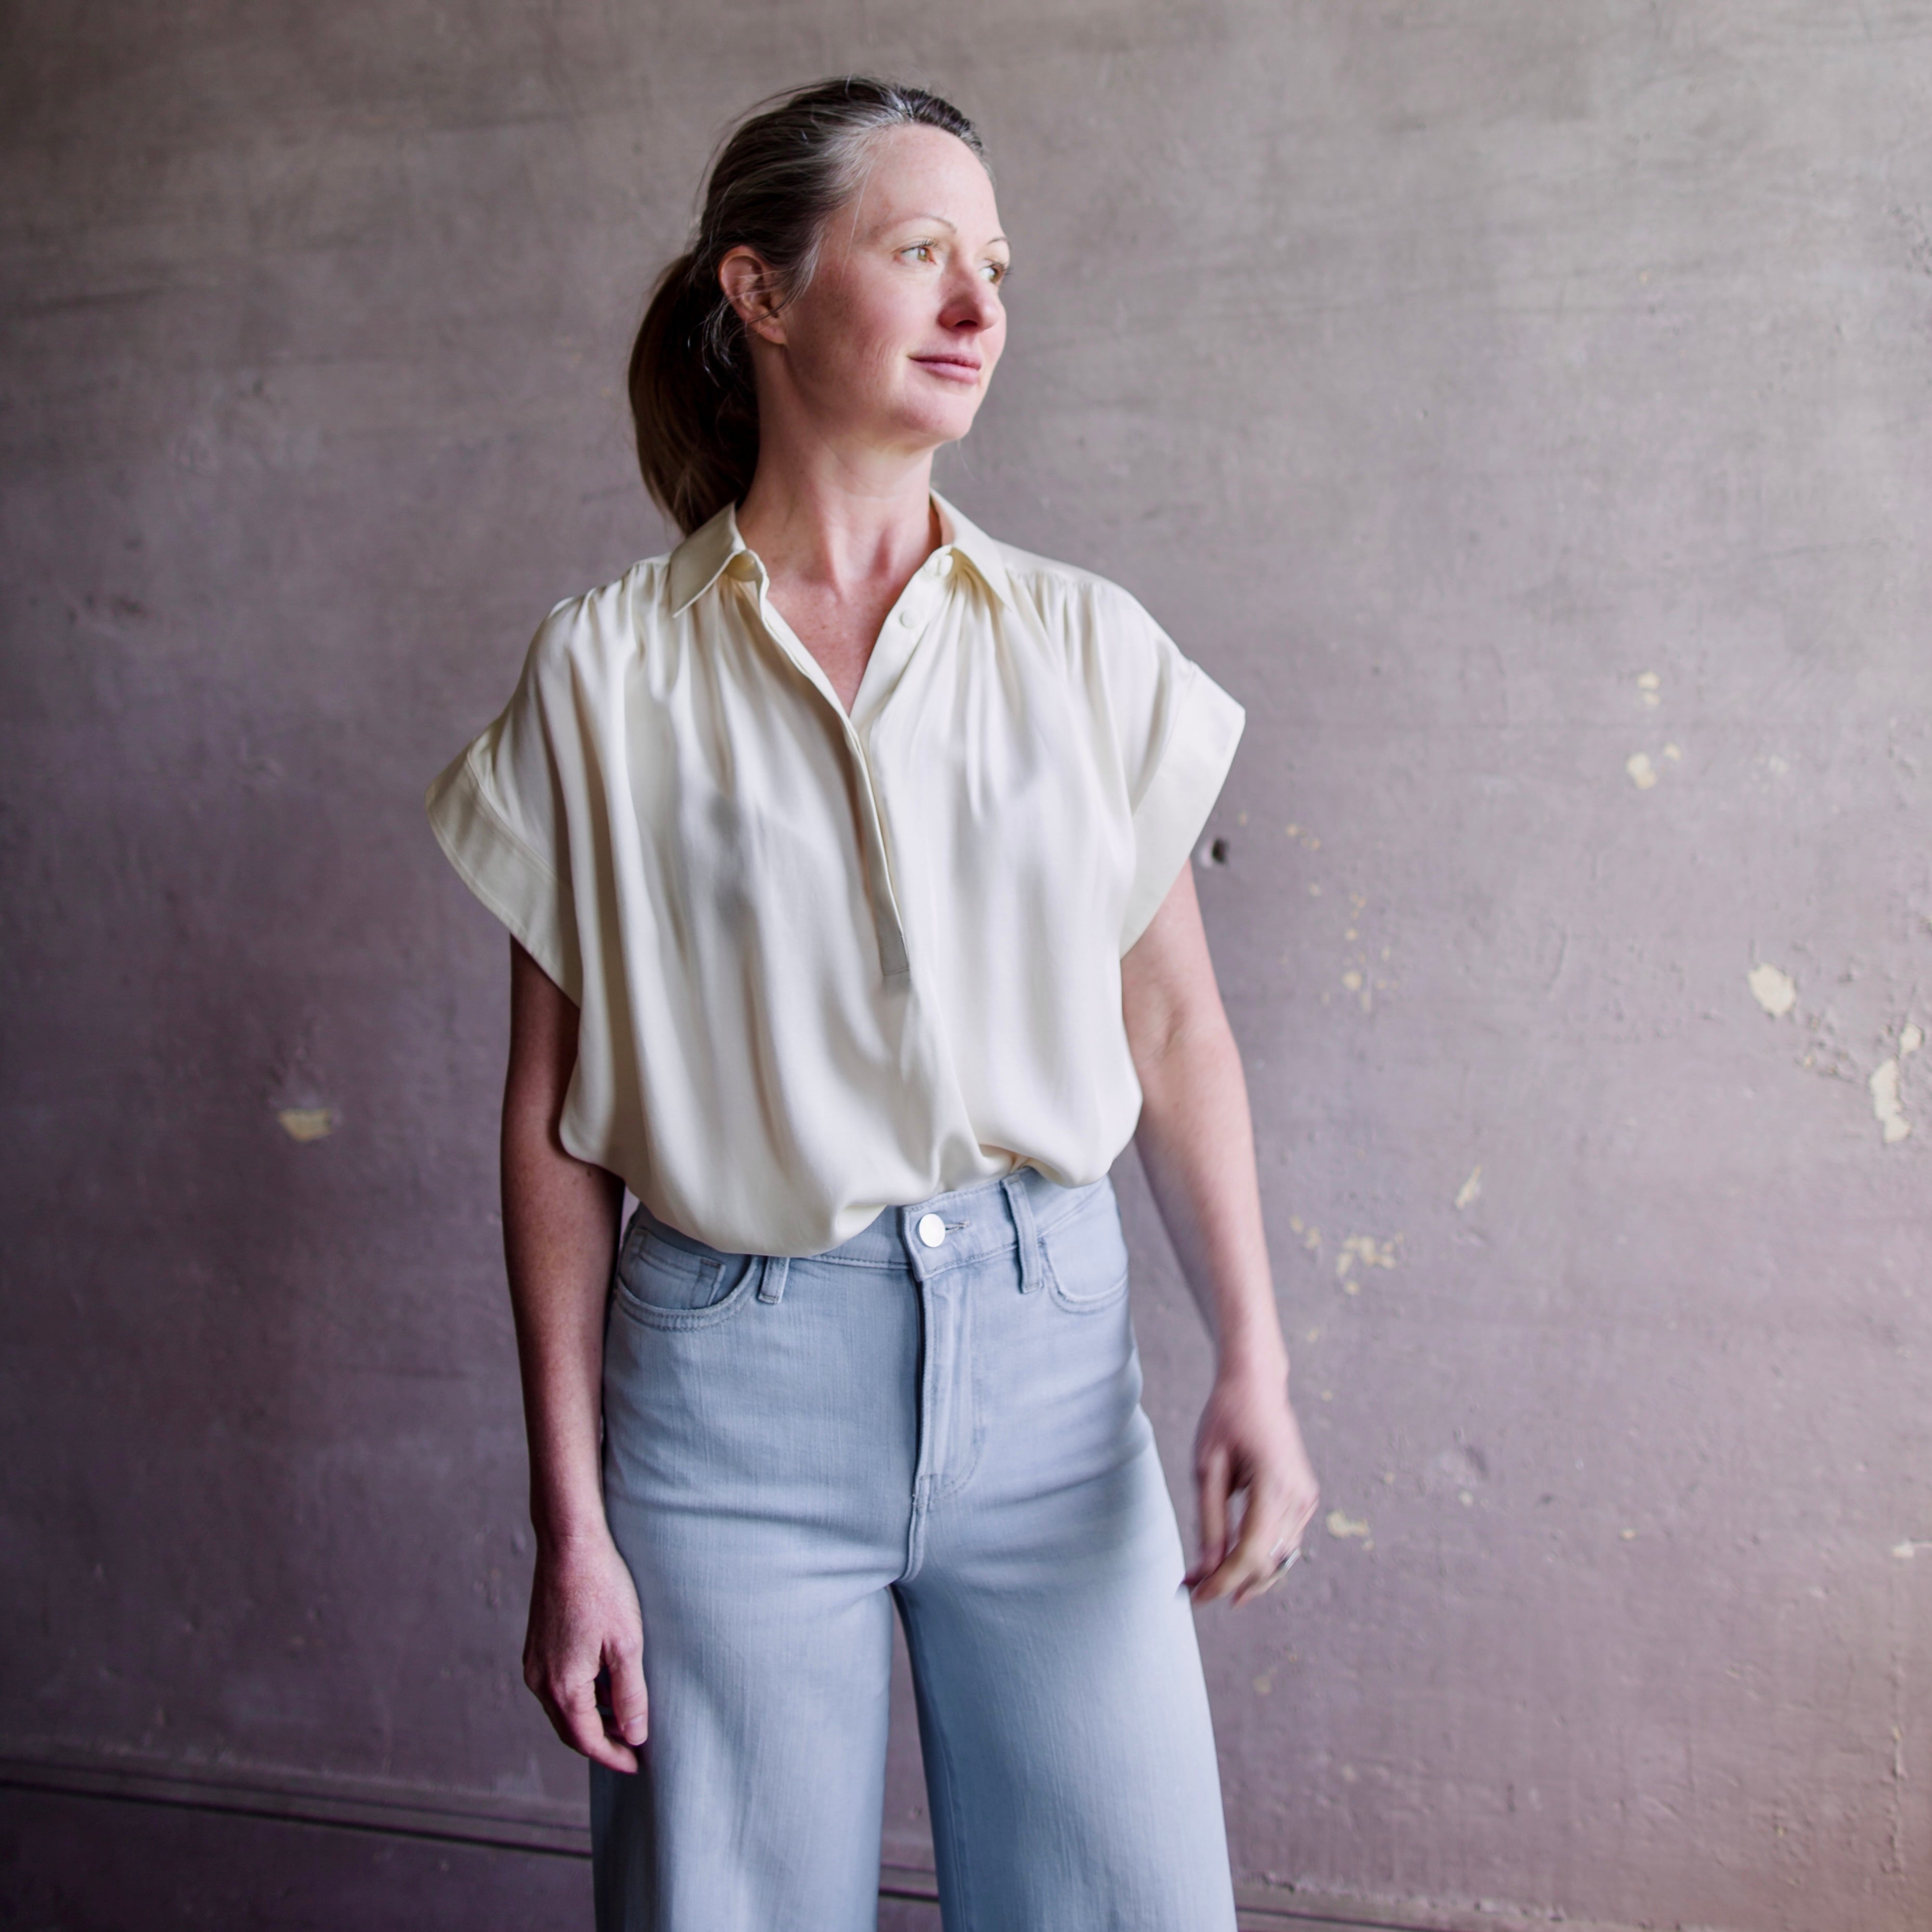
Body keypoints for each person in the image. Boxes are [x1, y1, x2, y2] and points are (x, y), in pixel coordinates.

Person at [426, 73, 1319, 1932]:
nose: (979, 307)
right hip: (729, 1400)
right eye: (921, 254)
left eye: (993, 265)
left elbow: (1174, 1033)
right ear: (757, 293)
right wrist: (569, 1521)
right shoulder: (602, 678)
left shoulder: (1084, 647)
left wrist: (1252, 1347)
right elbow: (548, 1120)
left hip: (1057, 1377)